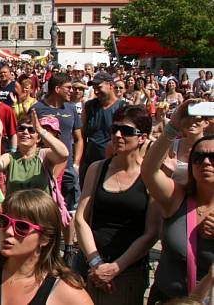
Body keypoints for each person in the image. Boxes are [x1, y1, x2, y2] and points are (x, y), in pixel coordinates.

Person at [75, 105, 162, 305]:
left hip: (128, 271)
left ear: (143, 137)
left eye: (127, 131)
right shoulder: (97, 169)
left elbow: (151, 232)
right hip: (89, 263)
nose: (118, 135)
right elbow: (81, 218)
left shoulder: (151, 176)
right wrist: (96, 262)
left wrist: (115, 268)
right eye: (114, 129)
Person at [0, 189, 93, 305]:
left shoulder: (67, 293)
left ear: (45, 238)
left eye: (22, 226)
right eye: (4, 221)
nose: (8, 231)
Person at [142, 100, 214, 304]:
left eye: (213, 157)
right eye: (199, 157)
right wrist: (172, 127)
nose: (206, 162)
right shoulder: (178, 198)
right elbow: (149, 171)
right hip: (165, 298)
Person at [33, 73, 84, 264]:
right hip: (44, 168)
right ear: (57, 89)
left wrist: (77, 163)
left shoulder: (71, 109)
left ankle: (69, 247)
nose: (72, 91)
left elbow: (78, 138)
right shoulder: (37, 109)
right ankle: (45, 246)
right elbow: (29, 135)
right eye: (68, 88)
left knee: (69, 210)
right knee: (45, 208)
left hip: (69, 168)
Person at [0, 109, 69, 200]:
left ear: (38, 139)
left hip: (40, 212)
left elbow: (64, 154)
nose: (25, 132)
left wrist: (40, 130)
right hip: (15, 211)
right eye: (21, 129)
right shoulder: (10, 157)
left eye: (31, 130)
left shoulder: (44, 154)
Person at [80, 71, 125, 182]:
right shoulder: (89, 106)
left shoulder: (123, 107)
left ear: (110, 85)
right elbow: (81, 134)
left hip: (113, 163)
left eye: (99, 87)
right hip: (90, 162)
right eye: (94, 88)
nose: (96, 91)